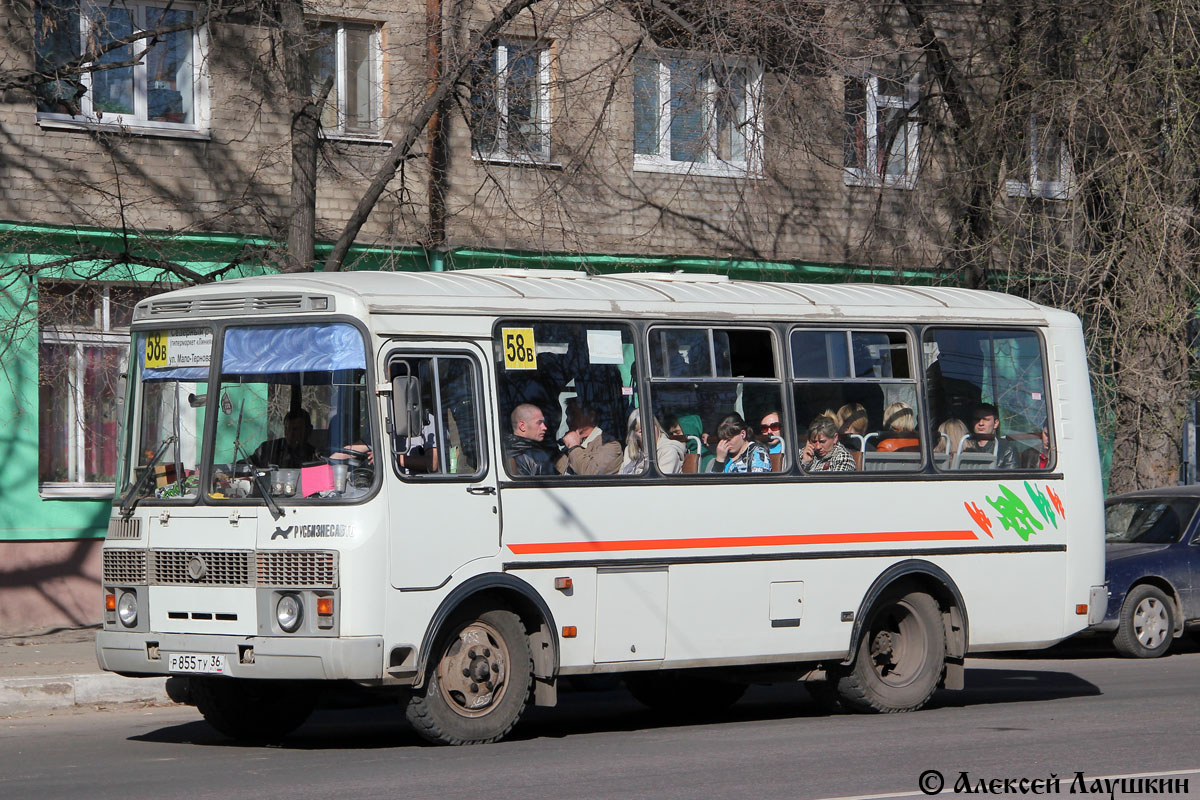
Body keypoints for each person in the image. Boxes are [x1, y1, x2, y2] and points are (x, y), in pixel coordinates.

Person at [557, 400, 622, 475]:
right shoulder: (571, 446)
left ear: (591, 416)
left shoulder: (610, 445)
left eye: (574, 415)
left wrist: (574, 447)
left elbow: (593, 474)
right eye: (568, 415)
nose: (568, 420)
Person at [620, 411, 686, 474]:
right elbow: (621, 477)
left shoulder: (668, 451)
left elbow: (658, 482)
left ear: (657, 426)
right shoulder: (630, 451)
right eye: (641, 431)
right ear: (633, 435)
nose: (648, 432)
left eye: (651, 427)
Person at [253, 408, 319, 468]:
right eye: (287, 429)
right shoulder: (268, 449)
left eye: (295, 429)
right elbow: (249, 466)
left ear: (308, 430)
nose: (290, 434)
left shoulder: (315, 457)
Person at [504, 403, 556, 476]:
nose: (544, 427)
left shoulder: (502, 451)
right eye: (539, 423)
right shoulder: (535, 456)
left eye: (543, 423)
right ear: (522, 426)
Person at [961, 403, 1018, 469]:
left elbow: (1010, 477)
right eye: (977, 419)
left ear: (996, 423)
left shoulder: (1007, 448)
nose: (981, 423)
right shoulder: (965, 445)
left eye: (986, 419)